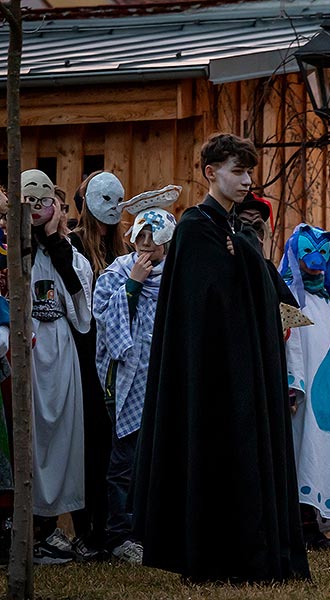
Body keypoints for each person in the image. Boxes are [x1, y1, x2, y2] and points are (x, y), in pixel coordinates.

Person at [132, 133, 310, 583]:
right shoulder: (196, 226)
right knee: (212, 456)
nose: (247, 180)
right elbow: (209, 301)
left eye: (249, 172)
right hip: (210, 374)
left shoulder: (233, 228)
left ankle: (251, 551)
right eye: (237, 171)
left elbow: (271, 294)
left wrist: (247, 258)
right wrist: (248, 262)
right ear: (211, 172)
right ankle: (214, 555)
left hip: (244, 369)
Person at [93, 188, 179, 564]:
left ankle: (156, 529)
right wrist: (134, 283)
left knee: (162, 457)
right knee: (124, 461)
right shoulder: (118, 272)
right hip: (126, 382)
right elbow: (104, 314)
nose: (146, 247)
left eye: (154, 239)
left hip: (163, 379)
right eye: (140, 238)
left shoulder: (177, 277)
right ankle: (119, 534)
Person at [22, 169, 94, 564]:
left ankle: (50, 529)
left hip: (60, 352)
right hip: (28, 352)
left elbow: (81, 309)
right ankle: (29, 527)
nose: (38, 207)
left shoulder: (69, 253)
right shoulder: (13, 251)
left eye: (43, 200)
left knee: (62, 437)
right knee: (29, 436)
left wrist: (54, 239)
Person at [69, 171, 129, 559]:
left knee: (113, 441)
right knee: (89, 440)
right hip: (82, 353)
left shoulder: (123, 250)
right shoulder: (73, 246)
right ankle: (87, 529)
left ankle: (114, 527)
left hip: (117, 356)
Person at [279, 223, 330, 547]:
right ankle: (301, 525)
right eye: (307, 251)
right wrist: (292, 384)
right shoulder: (288, 293)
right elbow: (289, 342)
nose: (315, 258)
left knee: (323, 452)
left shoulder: (326, 296)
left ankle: (319, 523)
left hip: (327, 391)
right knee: (300, 453)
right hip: (301, 390)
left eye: (322, 251)